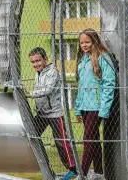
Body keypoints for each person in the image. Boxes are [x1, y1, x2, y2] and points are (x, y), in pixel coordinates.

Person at [28, 47, 77, 180]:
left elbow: (48, 90)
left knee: (61, 142)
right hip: (41, 114)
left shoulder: (52, 72)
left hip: (55, 114)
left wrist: (30, 94)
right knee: (30, 136)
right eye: (33, 62)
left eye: (38, 60)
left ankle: (74, 170)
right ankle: (42, 165)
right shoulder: (38, 73)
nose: (36, 64)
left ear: (45, 59)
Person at [75, 28, 116, 179]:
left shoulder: (103, 58)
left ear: (94, 41)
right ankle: (99, 173)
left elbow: (109, 84)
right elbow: (81, 87)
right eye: (81, 43)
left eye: (87, 42)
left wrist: (104, 109)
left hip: (96, 107)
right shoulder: (83, 60)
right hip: (85, 106)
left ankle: (82, 174)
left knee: (88, 140)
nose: (84, 45)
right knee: (94, 140)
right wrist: (78, 108)